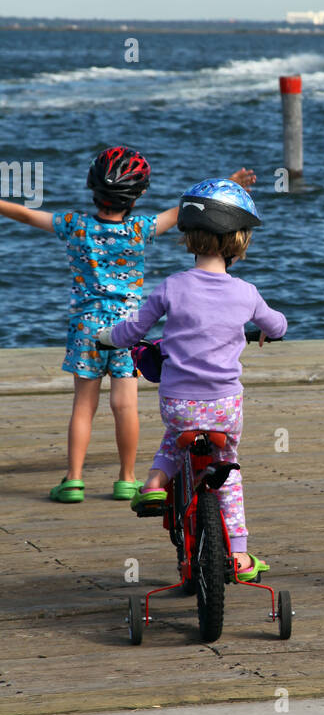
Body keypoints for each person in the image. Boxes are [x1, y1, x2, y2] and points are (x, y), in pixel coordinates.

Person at [0, 148, 255, 503]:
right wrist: (228, 183)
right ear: (138, 196)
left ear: (93, 189)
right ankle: (127, 478)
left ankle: (74, 480)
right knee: (125, 406)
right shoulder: (139, 229)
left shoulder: (75, 225)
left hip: (86, 329)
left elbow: (27, 214)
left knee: (83, 405)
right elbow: (188, 210)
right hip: (128, 329)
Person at [97, 179, 286, 580]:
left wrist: (107, 337)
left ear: (189, 235)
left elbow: (133, 331)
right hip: (224, 407)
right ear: (239, 241)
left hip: (178, 403)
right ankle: (239, 555)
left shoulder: (172, 287)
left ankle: (153, 483)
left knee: (173, 439)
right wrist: (270, 330)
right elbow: (278, 325)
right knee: (227, 469)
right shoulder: (246, 293)